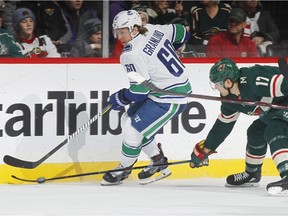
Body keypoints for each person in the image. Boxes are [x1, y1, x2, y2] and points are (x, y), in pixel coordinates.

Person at [101, 10, 192, 186]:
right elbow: (182, 31)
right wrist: (175, 48)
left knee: (133, 130)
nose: (119, 36)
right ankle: (158, 160)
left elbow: (139, 91)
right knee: (128, 117)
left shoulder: (130, 54)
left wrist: (120, 97)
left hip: (169, 99)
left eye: (122, 32)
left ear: (134, 28)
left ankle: (124, 169)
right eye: (117, 32)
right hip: (165, 91)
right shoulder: (151, 29)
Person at [190, 58, 288, 195]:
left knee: (275, 128)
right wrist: (205, 150)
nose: (216, 87)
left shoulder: (254, 80)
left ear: (228, 82)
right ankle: (252, 174)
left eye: (217, 84)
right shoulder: (230, 100)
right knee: (256, 131)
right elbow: (223, 126)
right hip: (275, 110)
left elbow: (283, 84)